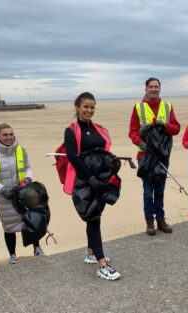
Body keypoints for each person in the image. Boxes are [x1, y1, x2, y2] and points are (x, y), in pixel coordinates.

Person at [64, 92, 120, 281]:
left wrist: (109, 170)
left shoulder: (98, 129)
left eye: (92, 107)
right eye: (86, 107)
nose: (89, 110)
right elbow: (73, 157)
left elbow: (104, 151)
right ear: (77, 107)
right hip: (84, 182)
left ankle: (90, 252)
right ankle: (102, 264)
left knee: (94, 216)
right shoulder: (71, 130)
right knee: (93, 218)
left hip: (101, 179)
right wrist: (91, 179)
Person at [0, 123, 43, 265]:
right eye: (5, 135)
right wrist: (2, 189)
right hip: (4, 197)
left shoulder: (21, 150)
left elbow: (28, 168)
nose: (8, 137)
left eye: (11, 134)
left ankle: (37, 248)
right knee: (9, 226)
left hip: (24, 194)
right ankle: (12, 255)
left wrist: (28, 178)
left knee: (31, 221)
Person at [129, 77, 180, 235]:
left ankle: (161, 220)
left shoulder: (167, 106)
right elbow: (132, 132)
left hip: (162, 156)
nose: (153, 89)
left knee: (160, 190)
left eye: (156, 87)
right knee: (147, 191)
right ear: (146, 89)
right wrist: (141, 143)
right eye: (151, 87)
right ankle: (149, 221)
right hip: (144, 155)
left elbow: (176, 128)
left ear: (160, 89)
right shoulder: (138, 107)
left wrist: (165, 125)